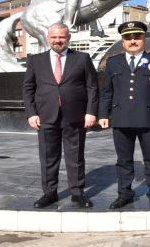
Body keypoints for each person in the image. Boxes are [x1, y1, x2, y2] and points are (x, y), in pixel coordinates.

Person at [98, 21, 150, 210]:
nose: (133, 41)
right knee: (123, 160)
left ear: (143, 38)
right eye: (128, 37)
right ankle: (124, 194)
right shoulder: (113, 62)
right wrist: (103, 113)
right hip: (121, 118)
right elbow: (106, 91)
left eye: (137, 37)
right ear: (122, 41)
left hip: (148, 118)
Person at [23, 22, 98, 209]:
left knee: (76, 156)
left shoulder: (82, 58)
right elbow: (28, 88)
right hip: (45, 116)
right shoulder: (35, 60)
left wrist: (91, 112)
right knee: (48, 157)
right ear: (48, 38)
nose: (58, 40)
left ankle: (77, 193)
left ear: (68, 38)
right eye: (54, 37)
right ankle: (49, 193)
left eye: (62, 37)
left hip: (75, 116)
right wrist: (31, 113)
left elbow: (92, 87)